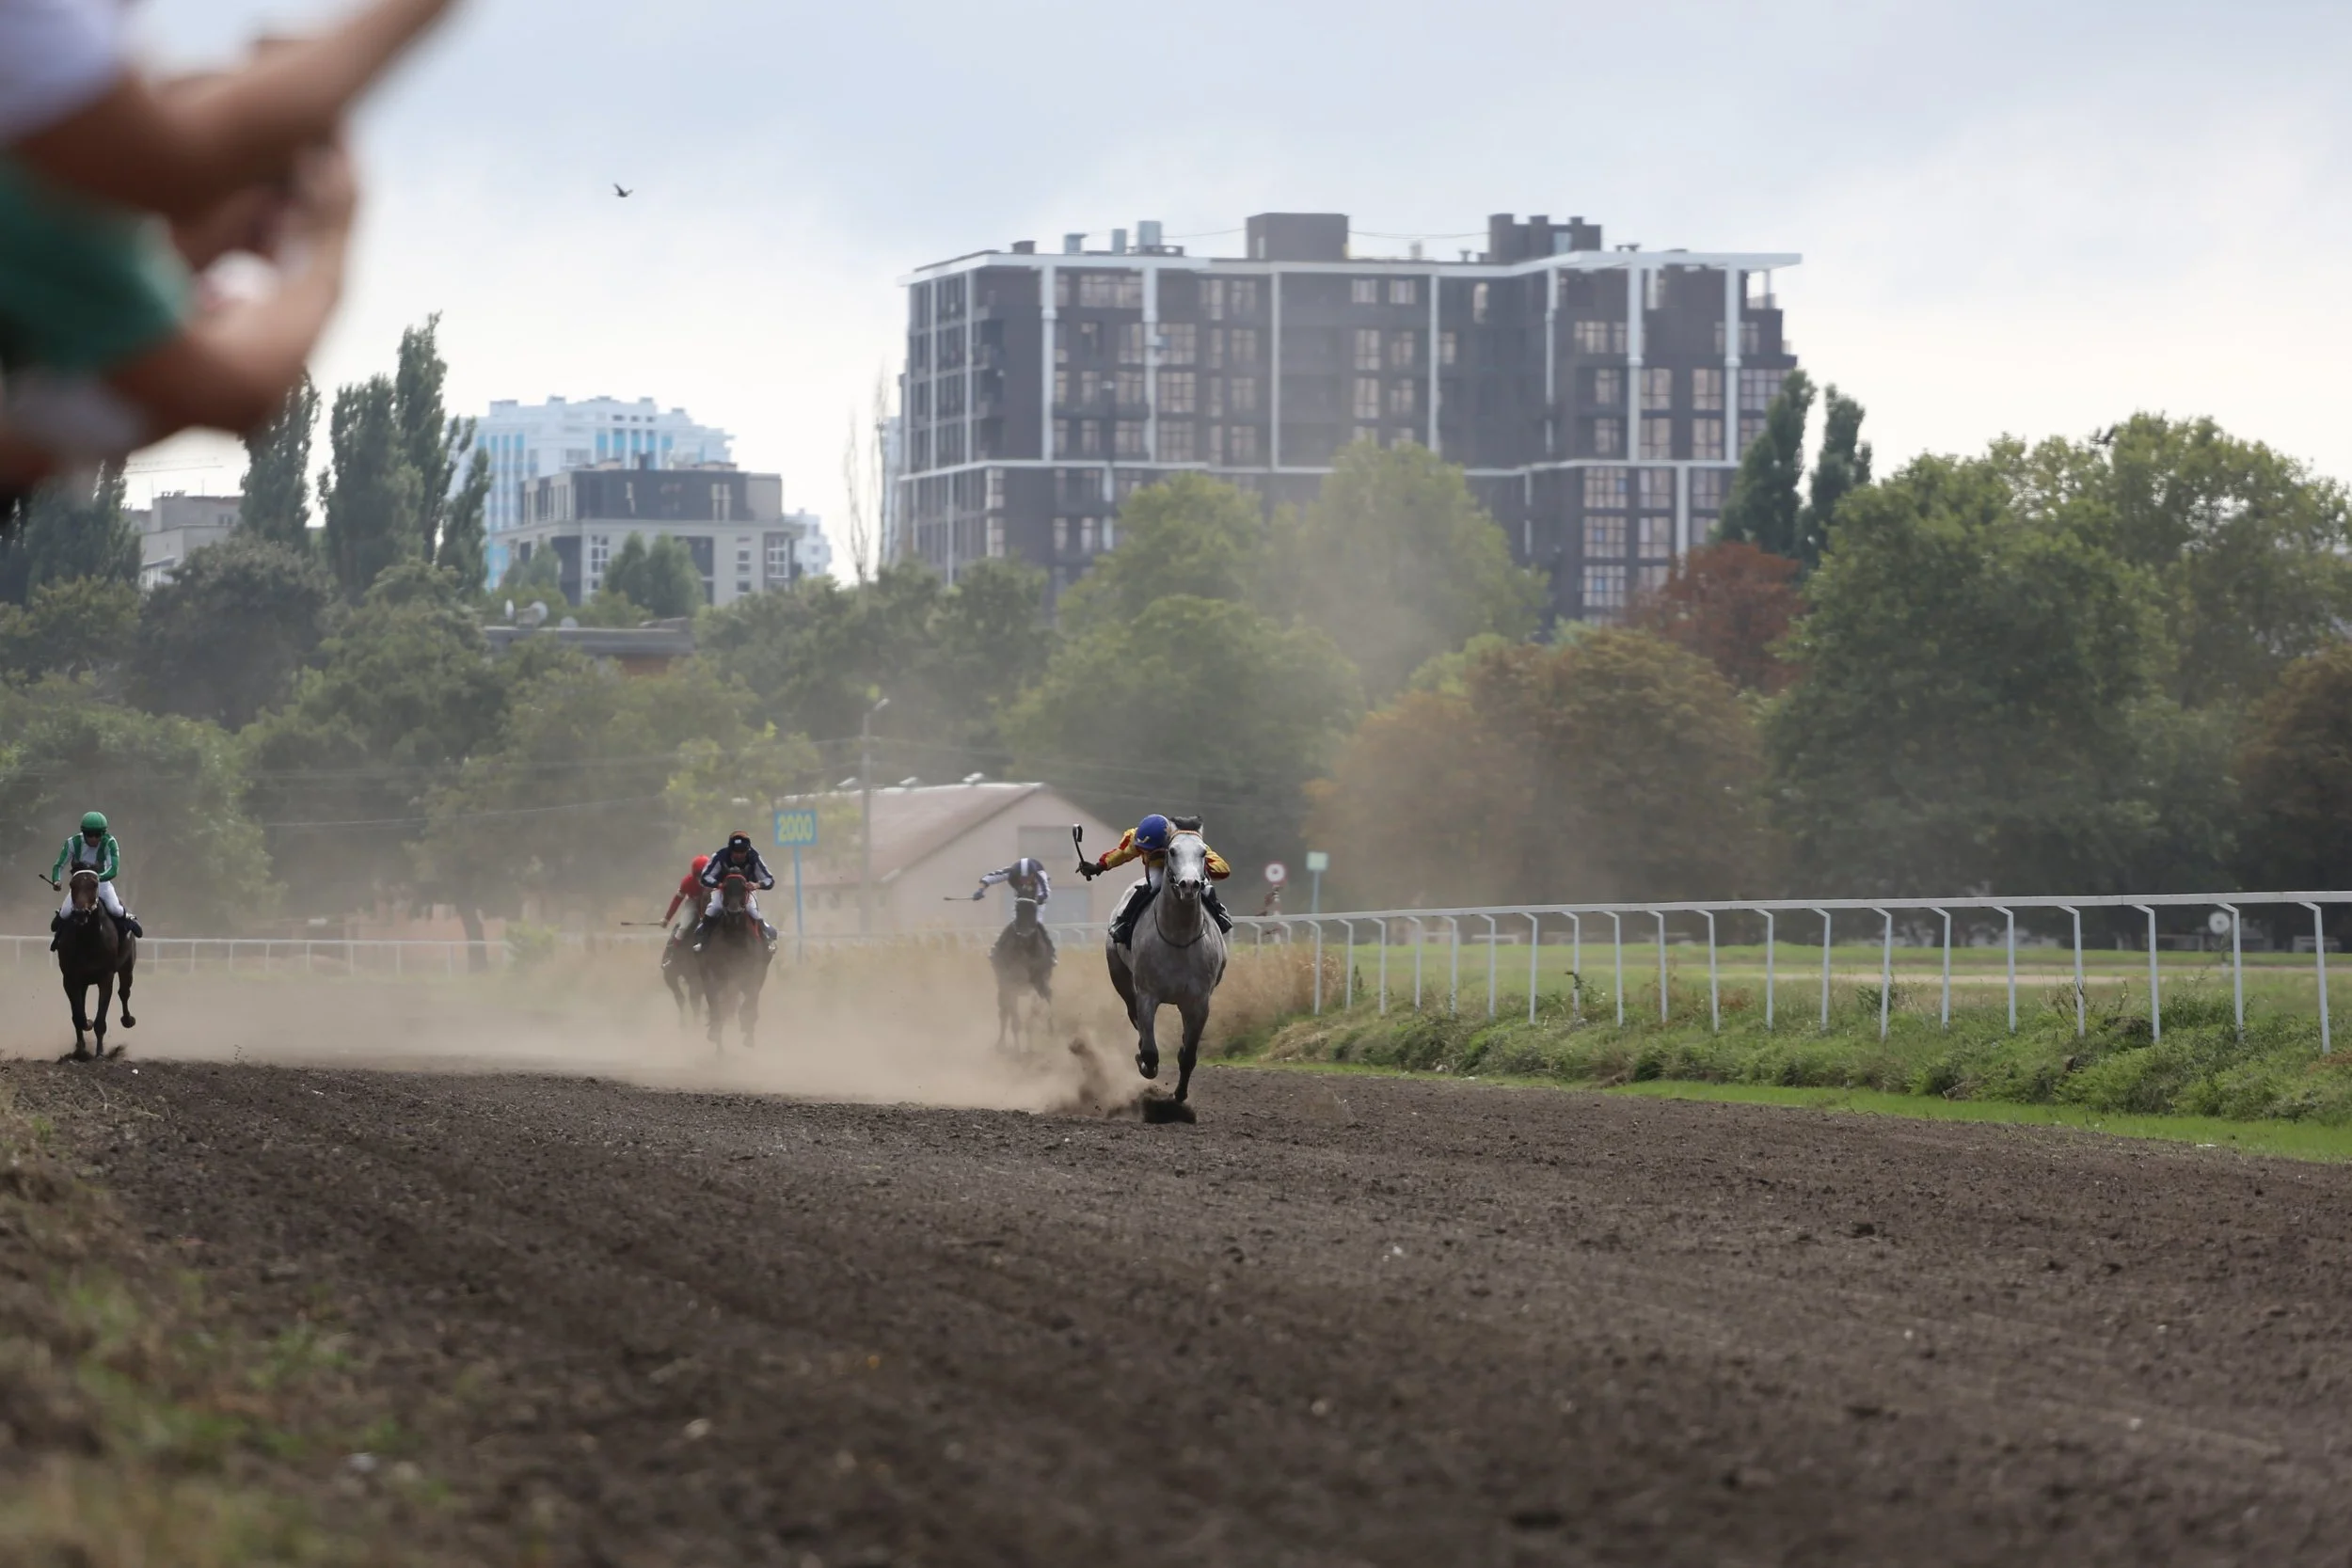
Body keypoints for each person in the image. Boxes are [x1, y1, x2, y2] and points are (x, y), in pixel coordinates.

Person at [0, 0, 459, 481]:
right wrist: (326, 241)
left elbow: (22, 454)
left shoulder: (87, 275)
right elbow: (239, 394)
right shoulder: (72, 212)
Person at [1078, 814, 1233, 948]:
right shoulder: (1136, 838)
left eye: (1149, 849)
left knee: (1204, 887)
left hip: (1184, 870)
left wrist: (1197, 866)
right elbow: (1121, 854)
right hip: (1157, 869)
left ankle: (1220, 913)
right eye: (1142, 847)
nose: (1144, 851)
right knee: (1153, 883)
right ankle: (1124, 921)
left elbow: (1222, 868)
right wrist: (1099, 867)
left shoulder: (1184, 843)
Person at [48, 808, 138, 949]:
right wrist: (56, 880)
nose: (94, 839)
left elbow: (113, 869)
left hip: (101, 883)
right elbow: (58, 865)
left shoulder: (110, 843)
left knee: (115, 909)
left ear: (104, 833)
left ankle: (129, 921)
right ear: (83, 833)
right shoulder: (72, 843)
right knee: (65, 913)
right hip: (80, 887)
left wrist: (95, 878)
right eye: (90, 835)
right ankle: (59, 939)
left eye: (98, 835)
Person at [695, 832, 776, 948]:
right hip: (723, 890)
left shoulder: (754, 857)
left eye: (742, 851)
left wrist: (757, 885)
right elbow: (705, 876)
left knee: (752, 910)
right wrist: (718, 884)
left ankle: (767, 939)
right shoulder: (720, 856)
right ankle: (702, 939)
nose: (739, 855)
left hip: (745, 891)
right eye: (735, 851)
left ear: (747, 850)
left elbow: (769, 879)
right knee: (714, 907)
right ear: (730, 849)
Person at [971, 855, 1055, 964]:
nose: (1025, 882)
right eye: (1022, 879)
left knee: (1037, 921)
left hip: (1036, 899)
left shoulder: (1040, 874)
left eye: (1028, 878)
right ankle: (997, 948)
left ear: (1033, 875)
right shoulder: (1011, 872)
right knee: (1015, 920)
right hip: (1021, 897)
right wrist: (980, 890)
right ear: (1017, 875)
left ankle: (1051, 954)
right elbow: (988, 878)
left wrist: (1041, 898)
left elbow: (1046, 893)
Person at [662, 853, 712, 942]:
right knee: (682, 928)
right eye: (698, 874)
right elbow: (677, 901)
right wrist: (667, 919)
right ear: (693, 874)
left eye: (703, 874)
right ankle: (672, 951)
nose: (700, 878)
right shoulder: (687, 882)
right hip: (692, 903)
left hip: (710, 903)